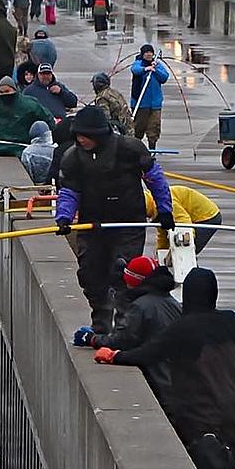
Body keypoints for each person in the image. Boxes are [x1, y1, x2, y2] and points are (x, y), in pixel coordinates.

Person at [95, 267, 235, 469]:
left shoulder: (183, 328)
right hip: (232, 410)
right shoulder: (232, 322)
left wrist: (115, 356)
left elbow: (149, 353)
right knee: (230, 467)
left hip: (196, 415)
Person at [57, 104, 175, 332]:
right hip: (92, 225)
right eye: (78, 136)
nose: (81, 140)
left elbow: (155, 179)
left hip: (128, 223)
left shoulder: (130, 149)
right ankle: (100, 318)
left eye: (85, 136)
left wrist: (164, 210)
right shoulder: (73, 157)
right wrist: (64, 217)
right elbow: (70, 191)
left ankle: (124, 324)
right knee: (90, 272)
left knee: (122, 271)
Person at [74, 256, 180, 410]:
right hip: (175, 380)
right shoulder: (172, 303)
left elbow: (123, 340)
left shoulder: (140, 306)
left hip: (158, 379)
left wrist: (92, 338)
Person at [144, 184, 222, 254]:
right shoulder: (156, 205)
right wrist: (160, 252)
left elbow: (184, 221)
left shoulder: (166, 203)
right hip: (193, 216)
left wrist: (188, 239)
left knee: (187, 251)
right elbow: (162, 232)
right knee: (179, 250)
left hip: (207, 217)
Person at [130, 44, 169, 150]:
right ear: (142, 54)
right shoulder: (138, 63)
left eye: (150, 52)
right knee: (139, 127)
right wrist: (146, 69)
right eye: (146, 52)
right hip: (141, 103)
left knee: (154, 128)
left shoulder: (157, 64)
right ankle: (137, 149)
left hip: (155, 103)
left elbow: (164, 77)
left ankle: (152, 149)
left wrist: (155, 69)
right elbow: (135, 69)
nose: (149, 54)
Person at [91, 71, 134, 135]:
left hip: (120, 132)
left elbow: (105, 118)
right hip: (129, 128)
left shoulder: (102, 98)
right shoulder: (115, 92)